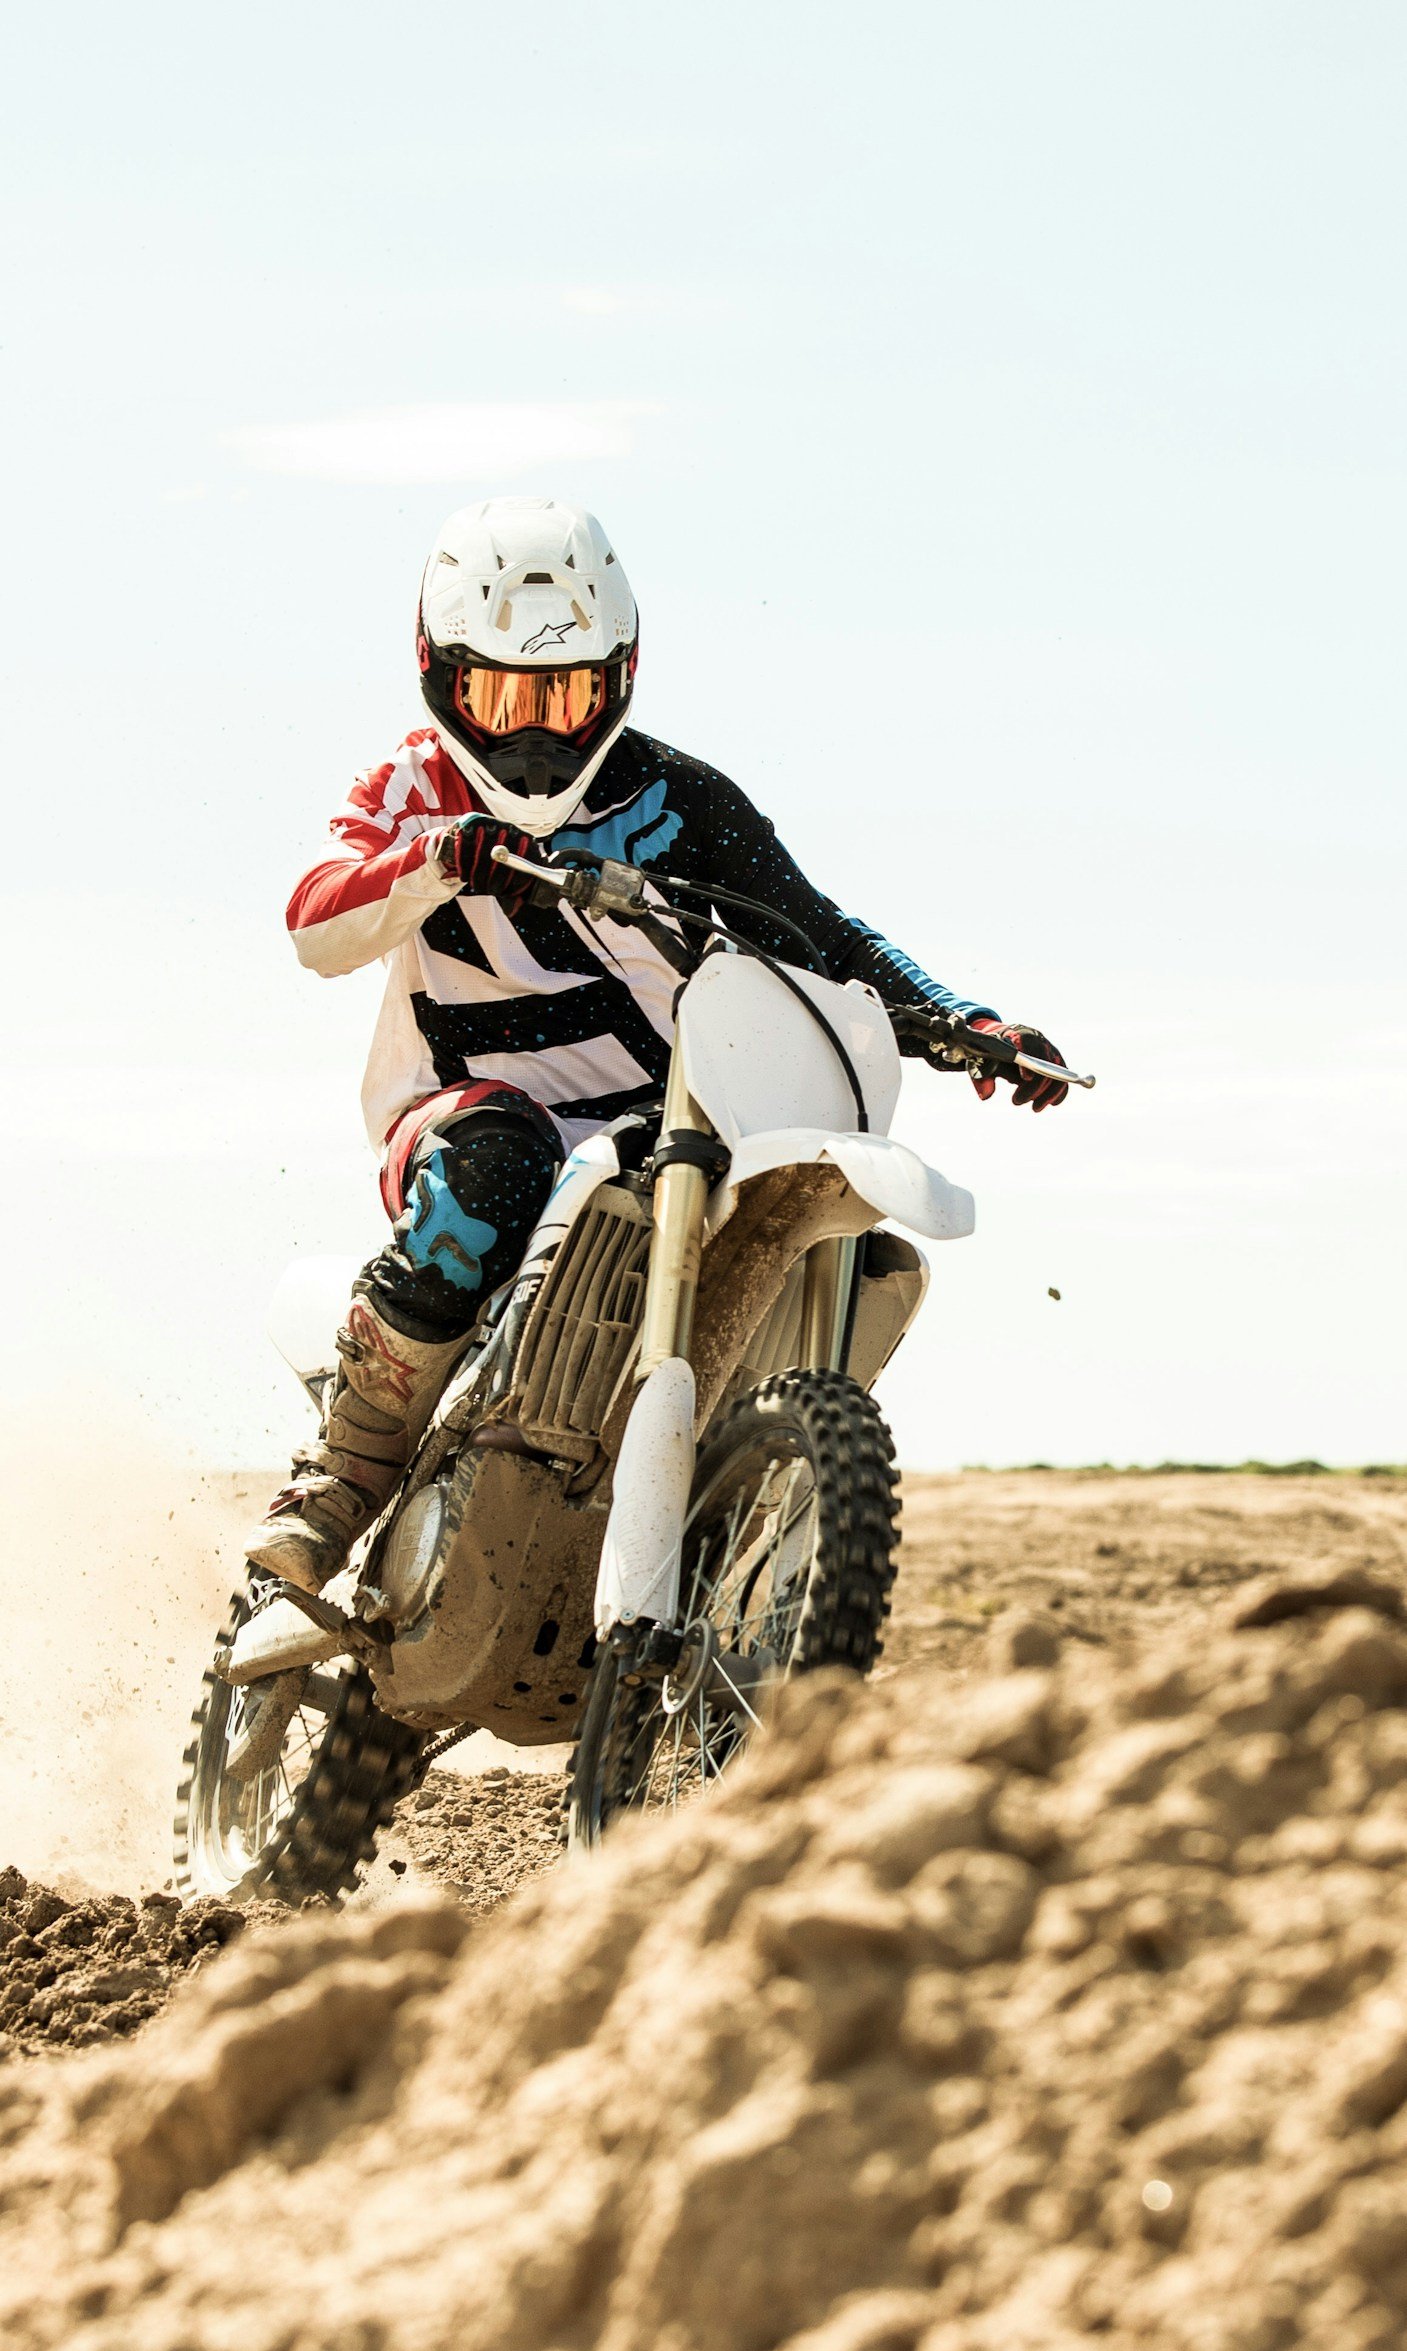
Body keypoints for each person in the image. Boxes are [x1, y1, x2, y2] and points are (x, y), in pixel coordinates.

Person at [248, 497, 1068, 1593]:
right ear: (443, 678)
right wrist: (440, 857)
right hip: (462, 1124)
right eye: (502, 697)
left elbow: (821, 934)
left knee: (827, 1226)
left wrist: (964, 1022)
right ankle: (335, 1488)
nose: (536, 736)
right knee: (495, 1162)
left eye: (567, 695)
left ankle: (747, 1530)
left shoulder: (684, 799)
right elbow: (314, 922)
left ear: (619, 677)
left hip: (660, 1130)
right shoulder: (409, 790)